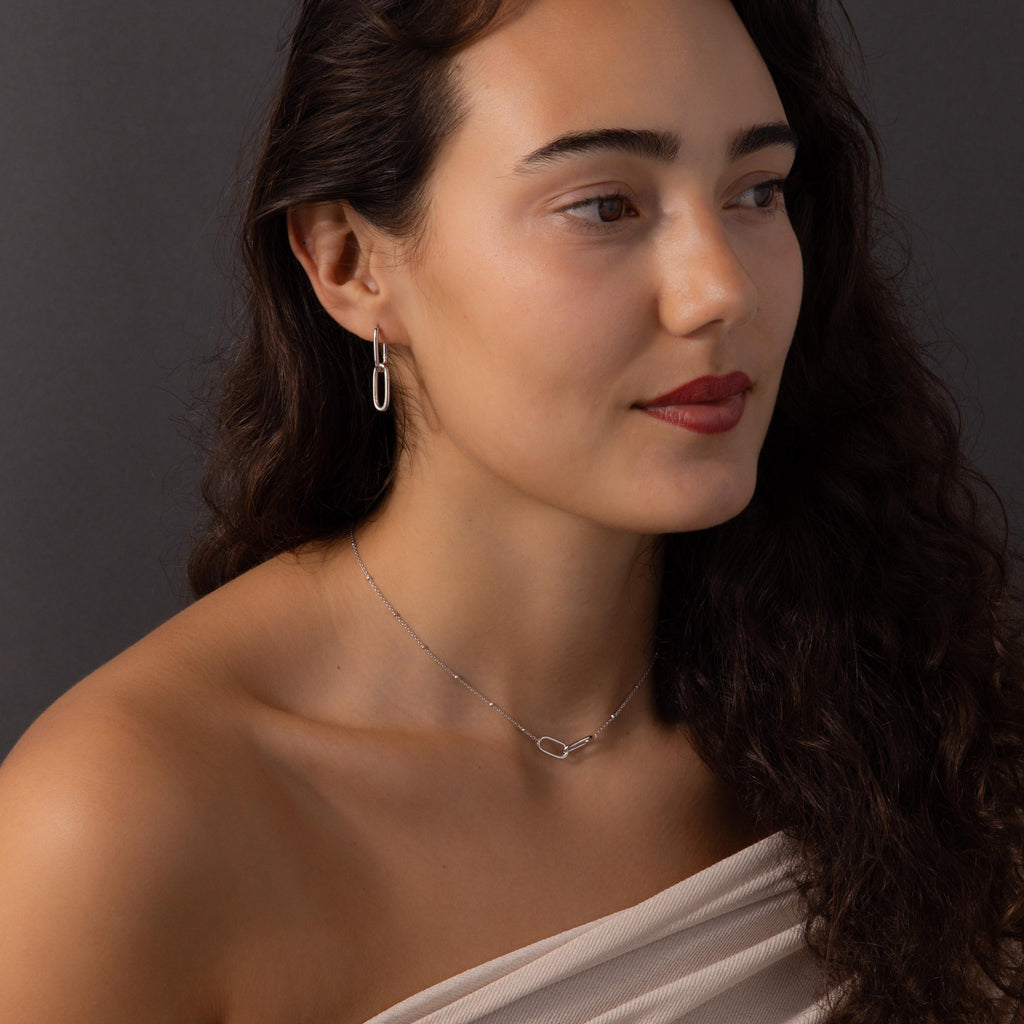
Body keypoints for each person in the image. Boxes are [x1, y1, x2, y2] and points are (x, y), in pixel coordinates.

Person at [0, 0, 1021, 1020]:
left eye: (755, 191)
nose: (720, 290)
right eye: (604, 206)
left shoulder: (922, 718)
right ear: (352, 264)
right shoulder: (116, 825)